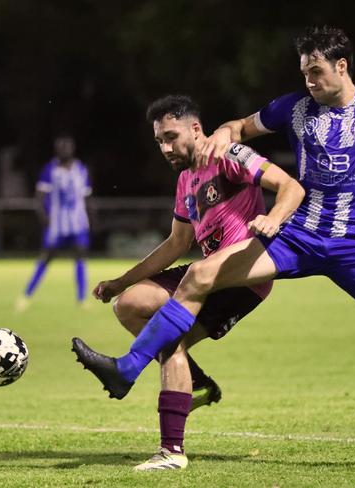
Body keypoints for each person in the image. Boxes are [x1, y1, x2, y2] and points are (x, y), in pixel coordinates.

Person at [72, 10, 355, 466]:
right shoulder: (293, 108)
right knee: (202, 272)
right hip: (298, 234)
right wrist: (223, 135)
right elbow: (239, 126)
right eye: (304, 71)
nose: (308, 80)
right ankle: (128, 369)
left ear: (342, 66)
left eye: (316, 70)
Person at [72, 95, 305, 471]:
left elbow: (290, 187)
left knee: (168, 338)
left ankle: (171, 450)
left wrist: (273, 219)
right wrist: (120, 282)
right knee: (130, 306)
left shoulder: (230, 154)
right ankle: (193, 382)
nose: (165, 148)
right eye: (159, 141)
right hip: (203, 272)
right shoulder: (185, 181)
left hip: (241, 277)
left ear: (196, 129)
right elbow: (177, 244)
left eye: (170, 136)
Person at [16, 135, 92, 310]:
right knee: (45, 258)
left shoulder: (81, 169)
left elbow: (87, 197)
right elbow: (39, 197)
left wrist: (92, 219)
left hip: (78, 224)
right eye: (61, 147)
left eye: (67, 147)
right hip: (56, 226)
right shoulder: (49, 169)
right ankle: (26, 295)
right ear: (56, 150)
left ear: (73, 149)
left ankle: (81, 299)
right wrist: (44, 218)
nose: (64, 150)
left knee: (80, 258)